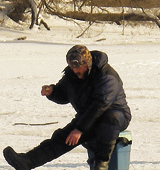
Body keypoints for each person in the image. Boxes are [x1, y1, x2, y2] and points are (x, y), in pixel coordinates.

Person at [3, 45, 131, 170]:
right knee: (63, 138)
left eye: (80, 71)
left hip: (116, 115)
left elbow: (100, 105)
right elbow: (63, 94)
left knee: (109, 118)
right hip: (88, 116)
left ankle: (101, 165)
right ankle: (27, 161)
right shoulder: (72, 75)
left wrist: (80, 129)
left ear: (88, 64)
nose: (78, 75)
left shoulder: (106, 76)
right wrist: (52, 91)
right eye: (75, 72)